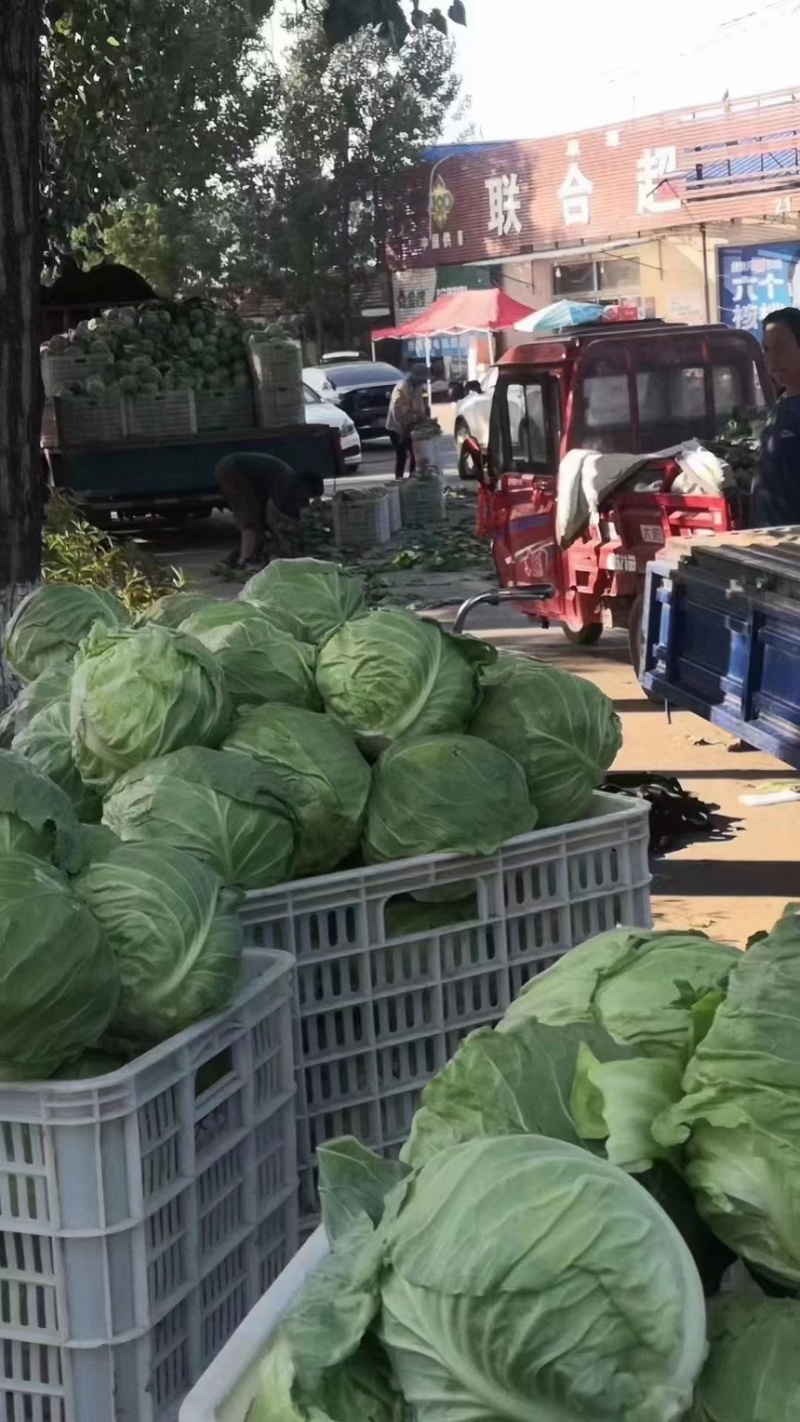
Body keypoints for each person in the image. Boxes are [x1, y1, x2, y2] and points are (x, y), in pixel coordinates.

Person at [214, 451, 323, 572]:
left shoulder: (292, 480)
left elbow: (292, 516)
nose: (307, 498)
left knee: (257, 519)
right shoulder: (286, 483)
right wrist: (281, 541)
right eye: (309, 494)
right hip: (233, 470)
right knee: (250, 517)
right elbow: (271, 516)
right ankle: (245, 561)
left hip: (244, 475)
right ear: (306, 486)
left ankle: (240, 557)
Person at [753, 307, 800, 528]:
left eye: (781, 348)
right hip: (773, 543)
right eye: (767, 350)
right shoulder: (780, 406)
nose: (772, 360)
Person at [386, 363, 428, 479]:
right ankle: (399, 479)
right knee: (402, 456)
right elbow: (397, 413)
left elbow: (420, 408)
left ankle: (413, 478)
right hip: (397, 429)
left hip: (411, 427)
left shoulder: (418, 388)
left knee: (416, 454)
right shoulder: (402, 388)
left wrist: (423, 420)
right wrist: (404, 430)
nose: (423, 382)